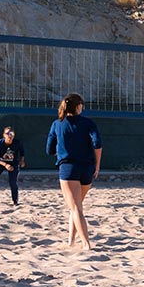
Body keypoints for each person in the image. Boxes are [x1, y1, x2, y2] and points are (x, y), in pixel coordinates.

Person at [45, 93, 102, 249]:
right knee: (77, 207)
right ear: (78, 106)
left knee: (76, 208)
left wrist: (62, 150)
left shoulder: (57, 124)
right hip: (87, 169)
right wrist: (97, 165)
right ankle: (71, 241)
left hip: (68, 168)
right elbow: (97, 143)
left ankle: (86, 243)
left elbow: (49, 150)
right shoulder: (88, 123)